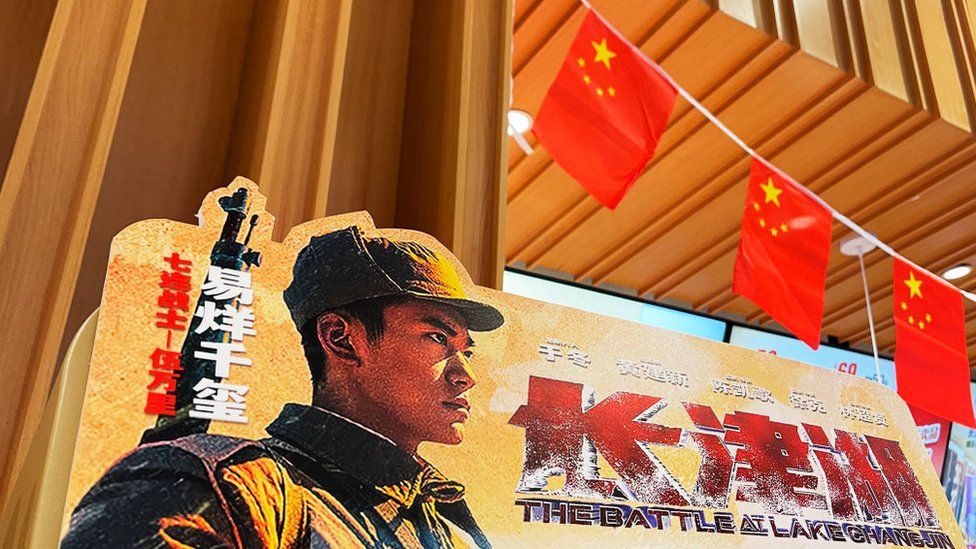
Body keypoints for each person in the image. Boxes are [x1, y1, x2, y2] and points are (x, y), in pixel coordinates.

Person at [62, 226, 504, 548]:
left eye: (466, 351)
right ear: (341, 339)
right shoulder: (223, 486)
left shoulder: (449, 528)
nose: (465, 375)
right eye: (437, 338)